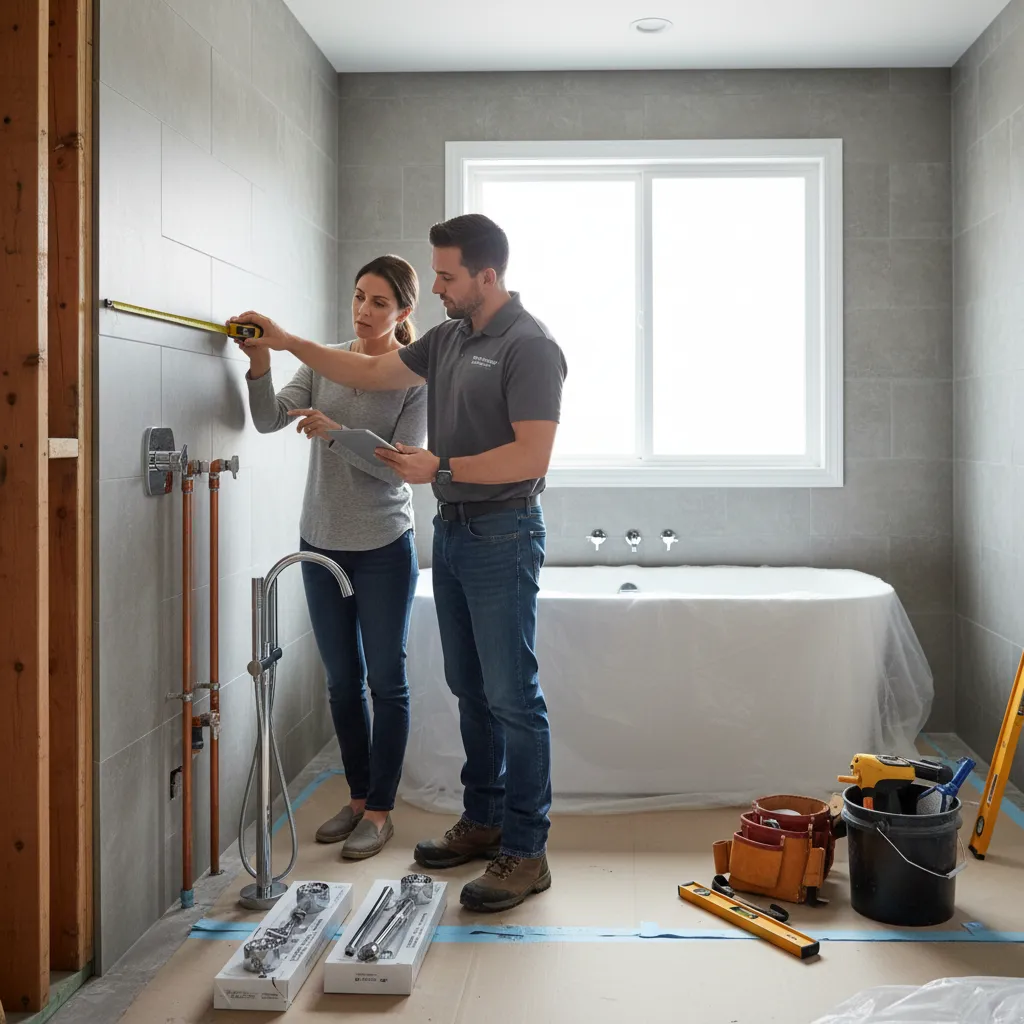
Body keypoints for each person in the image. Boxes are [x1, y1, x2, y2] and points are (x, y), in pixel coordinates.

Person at [230, 214, 567, 912]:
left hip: (504, 532)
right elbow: (366, 366)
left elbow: (532, 456)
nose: (436, 285)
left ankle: (526, 852)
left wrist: (441, 463)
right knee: (470, 688)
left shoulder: (530, 348)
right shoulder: (449, 338)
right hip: (454, 531)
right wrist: (288, 342)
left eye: (446, 276)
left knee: (512, 698)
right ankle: (485, 818)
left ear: (487, 276)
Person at [239, 254, 427, 861]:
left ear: (403, 312)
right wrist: (261, 362)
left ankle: (381, 811)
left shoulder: (413, 376)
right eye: (358, 297)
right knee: (342, 684)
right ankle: (355, 799)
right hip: (320, 541)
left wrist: (334, 434)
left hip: (382, 544)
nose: (364, 311)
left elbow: (400, 464)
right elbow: (269, 420)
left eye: (379, 302)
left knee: (385, 681)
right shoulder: (324, 363)